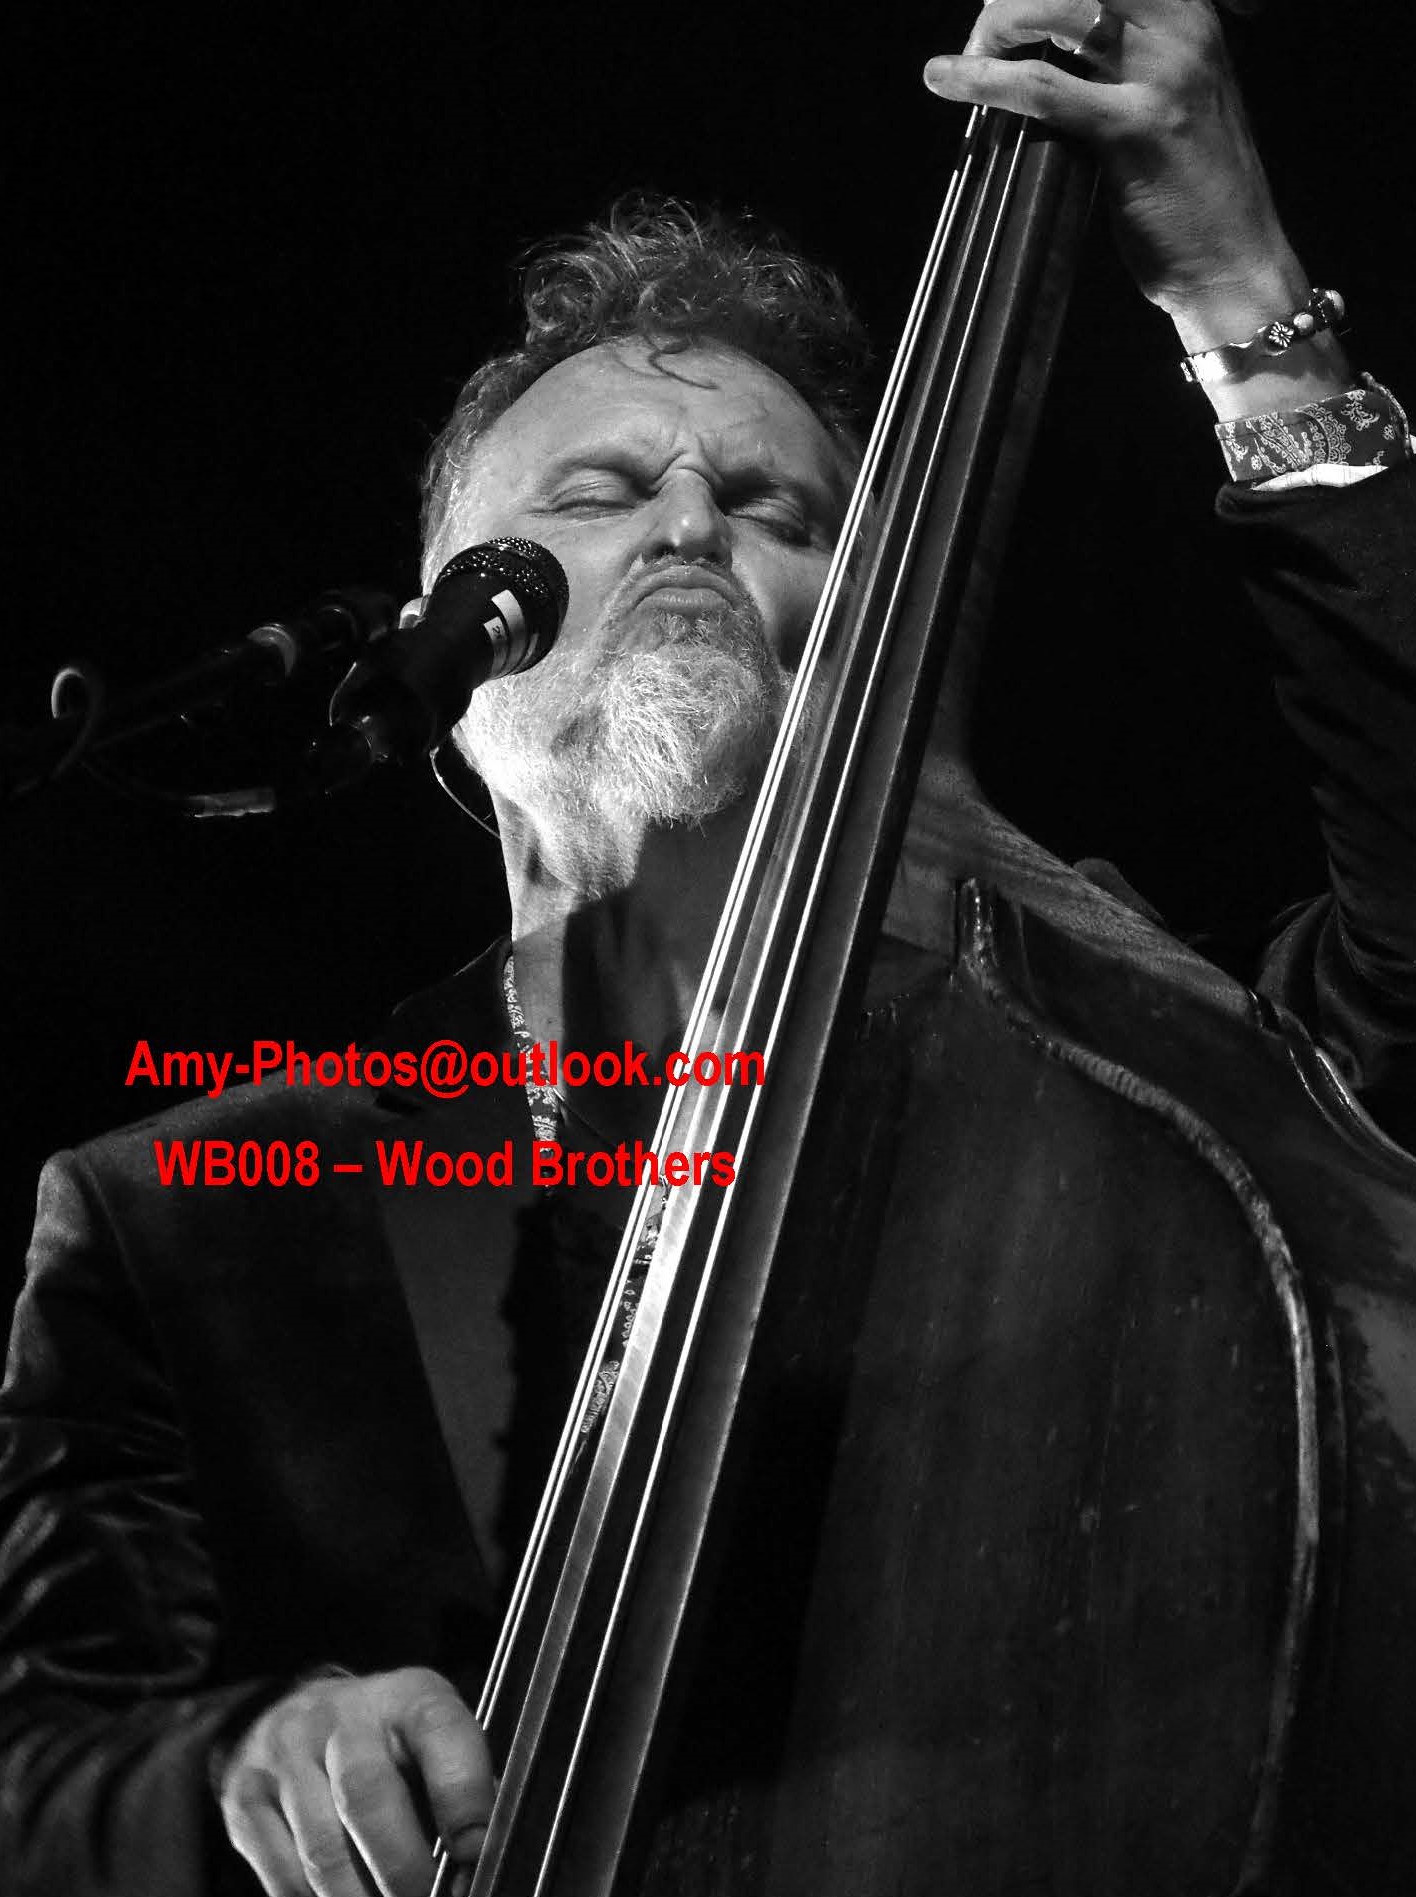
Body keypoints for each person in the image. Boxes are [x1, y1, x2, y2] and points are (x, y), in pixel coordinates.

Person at [2, 4, 1412, 1894]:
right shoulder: (184, 1211)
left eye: (773, 511)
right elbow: (36, 1760)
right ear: (442, 648)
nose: (687, 523)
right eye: (593, 498)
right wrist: (242, 1758)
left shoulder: (1133, 1079)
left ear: (874, 638)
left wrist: (1247, 302)